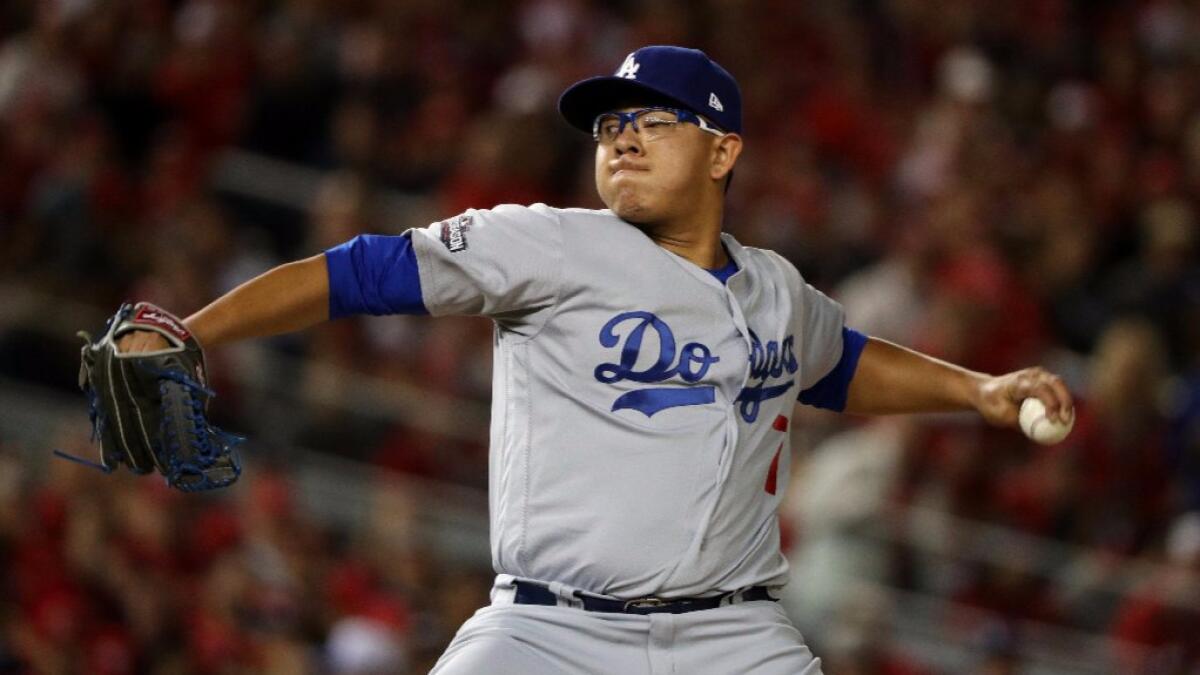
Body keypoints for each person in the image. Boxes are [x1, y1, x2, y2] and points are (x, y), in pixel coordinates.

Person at [116, 46, 1074, 674]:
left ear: (722, 149)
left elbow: (838, 363)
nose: (619, 137)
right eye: (609, 125)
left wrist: (978, 390)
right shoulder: (548, 243)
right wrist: (195, 328)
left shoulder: (778, 288)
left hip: (733, 638)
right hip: (548, 630)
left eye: (651, 119)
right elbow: (361, 271)